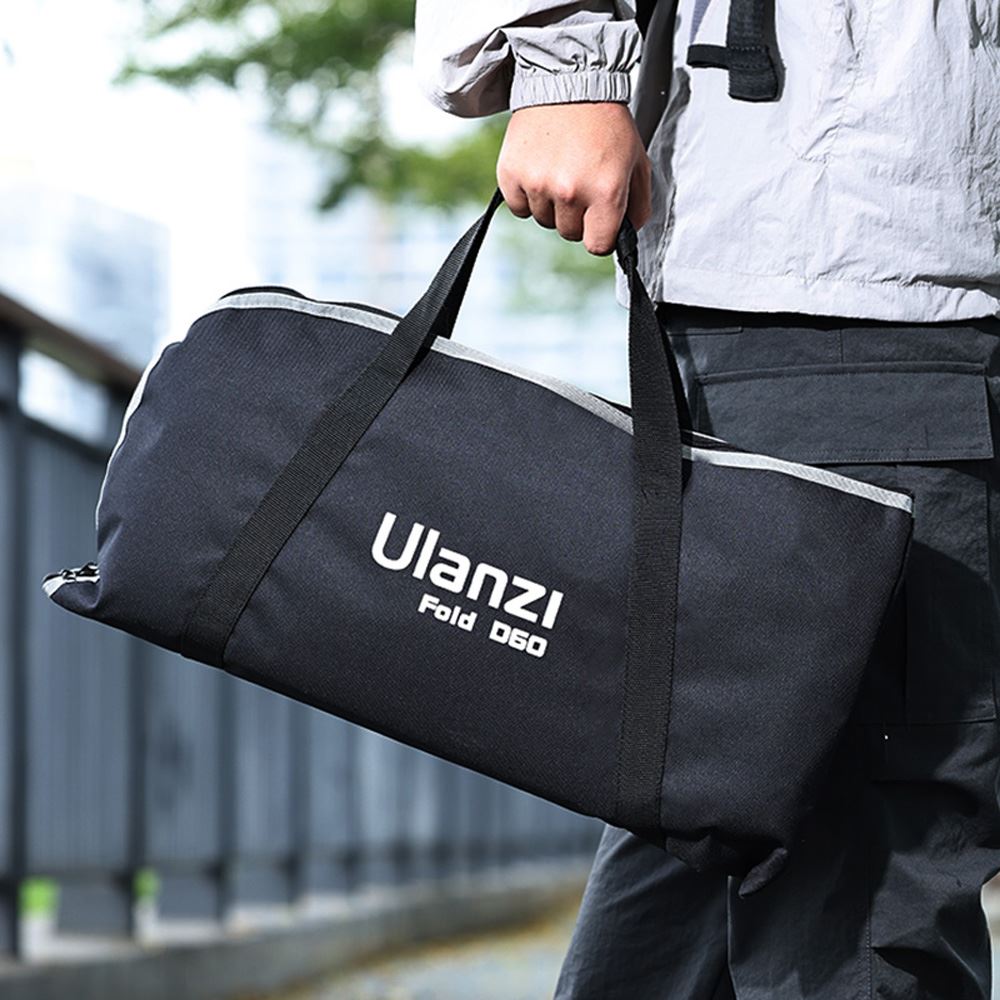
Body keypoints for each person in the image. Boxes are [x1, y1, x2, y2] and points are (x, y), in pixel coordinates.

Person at [413, 2, 1000, 997]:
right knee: (851, 895)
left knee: (707, 834)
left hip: (828, 249)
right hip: (861, 248)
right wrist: (563, 62)